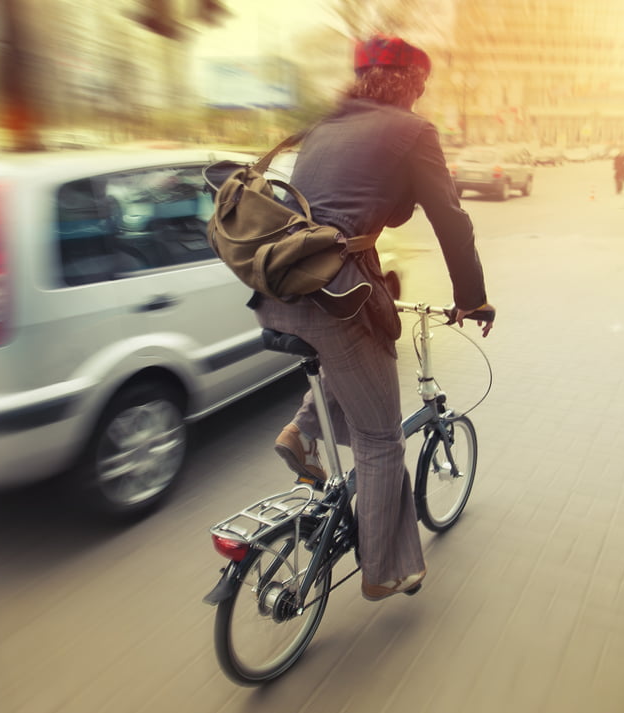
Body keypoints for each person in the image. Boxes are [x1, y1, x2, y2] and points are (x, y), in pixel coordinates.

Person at [251, 34, 494, 602]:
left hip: (282, 289)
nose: (422, 94)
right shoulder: (413, 131)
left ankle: (302, 431)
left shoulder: (325, 127)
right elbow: (451, 221)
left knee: (361, 353)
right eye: (422, 85)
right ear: (409, 83)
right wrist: (472, 297)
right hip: (338, 292)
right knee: (381, 439)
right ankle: (386, 570)